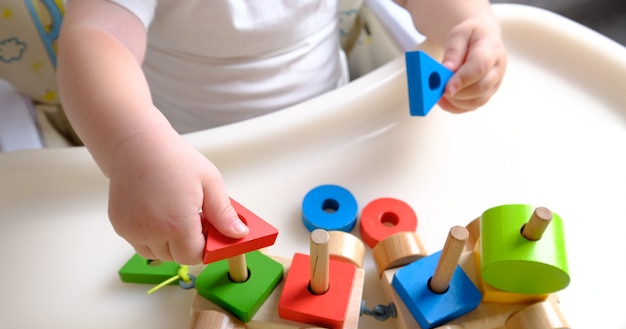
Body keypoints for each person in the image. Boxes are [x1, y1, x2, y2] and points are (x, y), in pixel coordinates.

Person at [57, 0, 507, 265]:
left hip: (339, 133)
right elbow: (97, 37)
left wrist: (466, 22)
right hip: (190, 167)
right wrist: (134, 147)